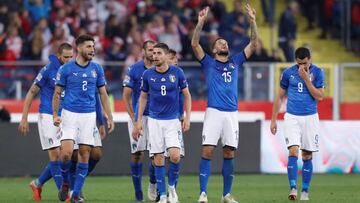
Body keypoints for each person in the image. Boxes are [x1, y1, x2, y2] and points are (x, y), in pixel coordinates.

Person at [191, 3, 258, 203]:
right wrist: (200, 23)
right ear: (213, 50)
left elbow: (253, 44)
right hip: (214, 112)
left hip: (231, 113)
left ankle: (226, 195)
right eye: (219, 43)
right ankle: (203, 193)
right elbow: (195, 44)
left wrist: (253, 22)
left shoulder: (235, 61)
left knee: (229, 152)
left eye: (225, 42)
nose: (224, 44)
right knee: (208, 150)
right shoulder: (208, 63)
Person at [52, 34, 114, 203]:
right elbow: (57, 93)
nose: (92, 50)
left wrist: (108, 116)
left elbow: (103, 94)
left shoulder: (97, 68)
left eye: (93, 47)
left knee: (85, 153)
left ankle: (76, 193)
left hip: (88, 116)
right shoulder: (66, 69)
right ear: (78, 48)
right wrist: (56, 115)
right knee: (65, 155)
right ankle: (66, 182)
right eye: (88, 46)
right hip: (69, 115)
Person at [132, 43, 191, 203]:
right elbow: (143, 97)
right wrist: (138, 122)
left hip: (172, 121)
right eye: (154, 53)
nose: (155, 55)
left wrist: (187, 117)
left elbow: (186, 95)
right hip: (154, 121)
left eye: (159, 53)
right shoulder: (147, 74)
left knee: (175, 156)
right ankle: (163, 195)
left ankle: (171, 187)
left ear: (165, 55)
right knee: (157, 158)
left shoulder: (177, 73)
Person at [18, 42, 73, 201]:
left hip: (65, 115)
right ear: (59, 56)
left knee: (64, 155)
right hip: (47, 115)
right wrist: (24, 117)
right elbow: (31, 92)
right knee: (55, 155)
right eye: (66, 57)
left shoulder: (71, 70)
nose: (69, 60)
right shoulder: (48, 70)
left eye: (71, 57)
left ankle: (37, 183)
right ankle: (65, 194)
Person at [270, 47, 325, 201]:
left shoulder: (318, 73)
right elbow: (279, 97)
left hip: (310, 118)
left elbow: (320, 97)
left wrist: (307, 79)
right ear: (296, 61)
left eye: (305, 63)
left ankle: (305, 191)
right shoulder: (287, 73)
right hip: (292, 117)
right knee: (293, 151)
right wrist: (273, 119)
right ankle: (293, 188)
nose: (302, 67)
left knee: (307, 155)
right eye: (300, 64)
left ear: (310, 59)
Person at [122, 40, 158, 201]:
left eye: (155, 50)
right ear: (143, 51)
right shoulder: (135, 69)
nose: (153, 53)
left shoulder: (161, 68)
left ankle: (152, 182)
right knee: (137, 154)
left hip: (157, 116)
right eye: (150, 50)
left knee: (156, 154)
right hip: (140, 117)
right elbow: (126, 96)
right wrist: (134, 118)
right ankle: (138, 193)